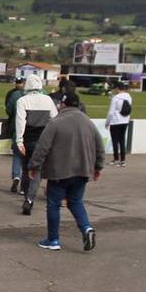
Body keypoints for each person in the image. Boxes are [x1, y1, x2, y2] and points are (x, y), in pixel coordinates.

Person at [27, 89, 104, 251]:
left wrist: (34, 166)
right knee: (76, 202)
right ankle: (86, 228)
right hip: (83, 171)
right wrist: (98, 167)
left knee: (53, 204)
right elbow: (99, 147)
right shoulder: (88, 122)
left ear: (63, 104)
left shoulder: (56, 122)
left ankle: (53, 239)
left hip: (59, 172)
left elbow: (42, 147)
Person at [14, 73, 58, 215]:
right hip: (43, 141)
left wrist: (19, 141)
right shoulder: (48, 100)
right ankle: (29, 199)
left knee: (26, 170)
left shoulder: (22, 100)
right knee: (37, 171)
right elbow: (55, 121)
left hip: (27, 140)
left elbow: (20, 122)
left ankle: (27, 196)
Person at [5, 76, 26, 193]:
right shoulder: (40, 96)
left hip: (17, 129)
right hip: (31, 131)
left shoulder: (14, 95)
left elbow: (8, 110)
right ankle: (24, 184)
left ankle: (16, 176)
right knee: (27, 158)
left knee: (17, 155)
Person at [105, 80, 132, 166]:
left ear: (117, 88)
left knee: (115, 141)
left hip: (115, 122)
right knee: (122, 140)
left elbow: (111, 112)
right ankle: (123, 161)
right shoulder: (129, 97)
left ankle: (116, 159)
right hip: (125, 121)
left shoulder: (115, 98)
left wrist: (107, 123)